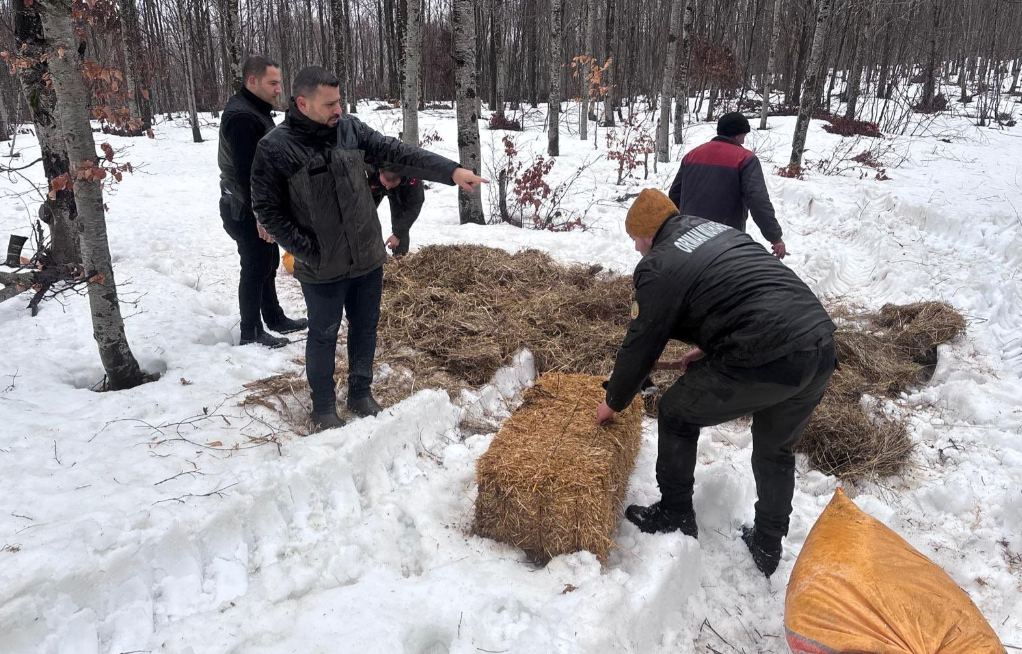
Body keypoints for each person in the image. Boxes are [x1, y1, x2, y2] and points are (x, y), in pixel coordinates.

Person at [596, 189, 836, 577]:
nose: (636, 248)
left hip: (769, 353)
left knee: (676, 412)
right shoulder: (714, 231)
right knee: (776, 449)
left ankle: (674, 514)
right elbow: (740, 293)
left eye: (635, 239)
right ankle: (768, 544)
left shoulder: (659, 265)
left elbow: (641, 344)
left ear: (647, 235)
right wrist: (710, 349)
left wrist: (613, 401)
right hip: (818, 344)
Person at [250, 66, 487, 432]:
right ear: (303, 103)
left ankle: (360, 393)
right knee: (323, 334)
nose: (338, 109)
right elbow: (267, 209)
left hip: (366, 257)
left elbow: (399, 153)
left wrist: (452, 171)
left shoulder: (350, 130)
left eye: (339, 101)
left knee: (365, 328)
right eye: (329, 104)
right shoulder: (275, 147)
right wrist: (309, 251)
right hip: (322, 267)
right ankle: (323, 407)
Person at [218, 55, 307, 349]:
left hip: (255, 205)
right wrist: (261, 215)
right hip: (243, 208)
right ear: (252, 81)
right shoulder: (242, 118)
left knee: (268, 262)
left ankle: (274, 317)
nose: (279, 89)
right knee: (255, 266)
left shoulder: (255, 110)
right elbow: (246, 173)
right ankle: (251, 331)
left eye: (279, 83)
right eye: (273, 83)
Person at [667, 112, 787, 259]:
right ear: (737, 134)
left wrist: (673, 230)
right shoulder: (745, 159)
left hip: (688, 238)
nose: (744, 140)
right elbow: (758, 201)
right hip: (725, 241)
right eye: (744, 135)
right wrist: (775, 237)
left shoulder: (692, 155)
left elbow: (674, 195)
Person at [367, 165, 424, 256]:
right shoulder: (370, 167)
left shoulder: (413, 179)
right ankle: (372, 254)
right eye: (385, 184)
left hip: (402, 189)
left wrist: (397, 235)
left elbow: (413, 208)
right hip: (375, 183)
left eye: (391, 185)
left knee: (400, 218)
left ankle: (400, 255)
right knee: (364, 215)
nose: (387, 188)